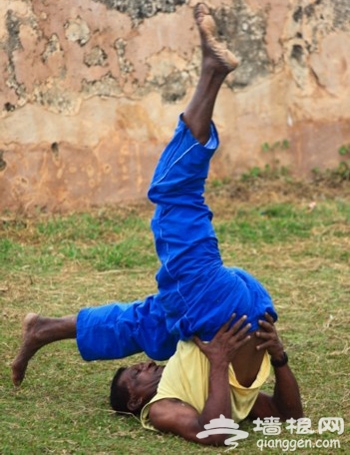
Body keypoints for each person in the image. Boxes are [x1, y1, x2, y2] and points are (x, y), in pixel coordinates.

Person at [12, 3, 303, 446]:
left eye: (137, 365)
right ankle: (211, 73)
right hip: (221, 309)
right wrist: (267, 359)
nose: (144, 365)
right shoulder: (162, 406)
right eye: (135, 374)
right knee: (173, 191)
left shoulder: (177, 366)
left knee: (150, 321)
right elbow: (222, 432)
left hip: (234, 307)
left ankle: (44, 328)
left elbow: (282, 417)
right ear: (134, 403)